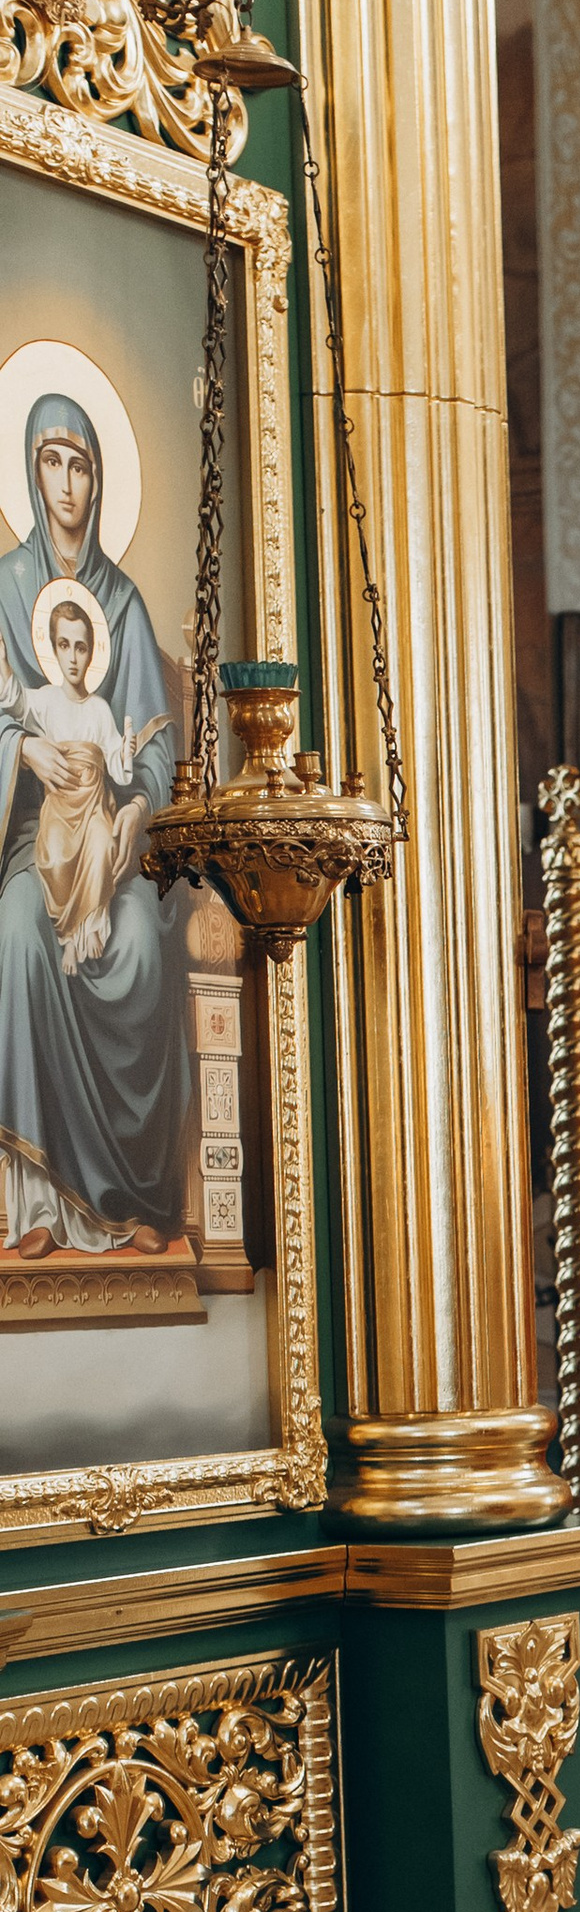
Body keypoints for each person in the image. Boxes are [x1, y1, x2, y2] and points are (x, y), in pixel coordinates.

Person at [0, 389, 191, 1260]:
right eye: (51, 459)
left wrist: (136, 814)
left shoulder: (127, 603)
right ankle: (38, 1207)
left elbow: (151, 752)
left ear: (100, 475)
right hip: (33, 843)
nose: (67, 481)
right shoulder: (4, 590)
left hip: (114, 846)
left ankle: (141, 1199)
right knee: (15, 935)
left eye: (81, 462)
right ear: (33, 473)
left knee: (147, 950)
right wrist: (21, 753)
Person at [5, 589, 168, 974]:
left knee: (99, 842)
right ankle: (68, 936)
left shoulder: (98, 709)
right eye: (65, 645)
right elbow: (16, 703)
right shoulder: (45, 701)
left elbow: (116, 766)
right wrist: (4, 668)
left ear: (91, 652)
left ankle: (89, 930)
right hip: (60, 809)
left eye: (81, 647)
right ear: (55, 649)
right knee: (55, 854)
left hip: (95, 805)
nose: (74, 657)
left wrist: (125, 751)